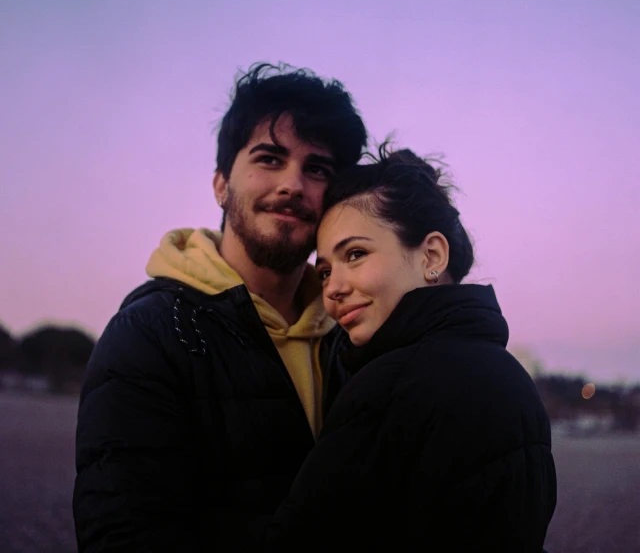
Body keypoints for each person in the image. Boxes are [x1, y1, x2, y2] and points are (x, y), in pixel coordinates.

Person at [72, 63, 367, 551]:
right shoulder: (149, 333)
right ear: (221, 184)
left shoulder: (353, 332)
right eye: (270, 159)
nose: (293, 183)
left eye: (317, 169)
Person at [264, 147, 557, 552]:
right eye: (326, 270)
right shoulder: (506, 372)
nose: (332, 288)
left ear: (432, 255)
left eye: (356, 254)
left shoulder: (392, 384)